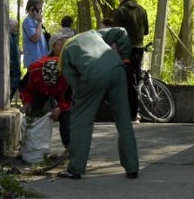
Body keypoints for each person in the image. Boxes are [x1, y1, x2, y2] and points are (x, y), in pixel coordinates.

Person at [57, 30, 139, 180]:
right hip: (116, 67)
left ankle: (75, 169)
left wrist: (86, 99)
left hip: (92, 73)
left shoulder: (65, 51)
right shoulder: (93, 34)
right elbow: (121, 32)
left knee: (81, 121)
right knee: (123, 120)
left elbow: (75, 84)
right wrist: (126, 57)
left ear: (59, 44)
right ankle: (132, 168)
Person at [19, 30, 75, 148]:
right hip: (38, 91)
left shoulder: (67, 74)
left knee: (66, 116)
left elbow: (69, 97)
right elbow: (24, 88)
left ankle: (70, 147)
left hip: (61, 92)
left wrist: (60, 108)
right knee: (34, 112)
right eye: (46, 82)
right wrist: (27, 102)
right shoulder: (34, 71)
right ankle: (32, 145)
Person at [110, 0, 149, 121]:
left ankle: (133, 112)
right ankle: (136, 111)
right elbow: (146, 31)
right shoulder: (142, 10)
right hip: (139, 48)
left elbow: (115, 33)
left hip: (125, 50)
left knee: (127, 80)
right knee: (136, 78)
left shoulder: (120, 11)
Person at [22, 0, 48, 67]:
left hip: (41, 59)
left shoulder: (36, 21)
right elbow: (35, 38)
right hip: (34, 61)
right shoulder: (28, 21)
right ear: (32, 8)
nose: (41, 11)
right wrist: (39, 23)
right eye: (39, 8)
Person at [9, 18, 21, 103]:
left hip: (15, 65)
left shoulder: (13, 37)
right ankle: (8, 101)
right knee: (14, 84)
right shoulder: (9, 37)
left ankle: (8, 101)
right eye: (15, 27)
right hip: (13, 65)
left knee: (15, 85)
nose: (16, 29)